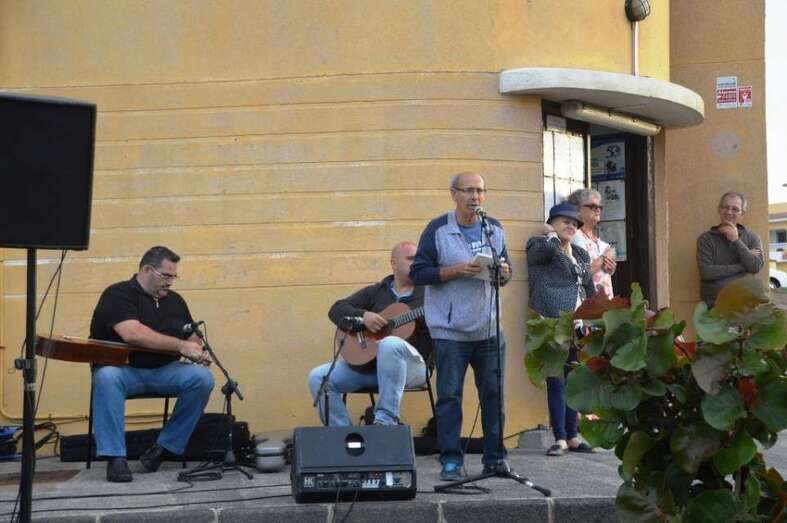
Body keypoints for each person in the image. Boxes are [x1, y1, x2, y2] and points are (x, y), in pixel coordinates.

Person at [410, 171, 512, 482]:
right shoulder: (437, 229)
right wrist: (455, 270)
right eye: (468, 190)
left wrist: (504, 273)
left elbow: (506, 268)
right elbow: (419, 273)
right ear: (453, 194)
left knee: (493, 397)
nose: (475, 197)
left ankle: (496, 460)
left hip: (489, 330)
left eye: (480, 190)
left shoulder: (494, 228)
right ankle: (451, 462)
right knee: (450, 398)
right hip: (450, 332)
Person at [89, 246, 214, 482]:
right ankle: (115, 457)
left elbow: (190, 336)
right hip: (124, 370)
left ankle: (164, 448)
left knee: (202, 378)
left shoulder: (175, 301)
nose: (171, 282)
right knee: (105, 377)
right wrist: (180, 346)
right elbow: (132, 333)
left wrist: (196, 349)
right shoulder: (117, 294)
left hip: (164, 370)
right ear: (147, 270)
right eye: (166, 276)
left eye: (174, 276)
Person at [307, 241, 432, 427]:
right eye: (410, 259)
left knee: (390, 343)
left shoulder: (431, 294)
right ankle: (344, 435)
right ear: (394, 263)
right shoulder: (376, 292)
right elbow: (336, 309)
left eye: (419, 259)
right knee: (318, 377)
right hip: (370, 367)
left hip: (413, 368)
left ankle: (384, 423)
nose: (417, 263)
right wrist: (363, 317)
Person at [526, 202, 595, 457]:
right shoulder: (540, 245)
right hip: (551, 323)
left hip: (577, 325)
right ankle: (560, 438)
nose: (571, 226)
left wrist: (590, 319)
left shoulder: (581, 254)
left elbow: (588, 288)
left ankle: (573, 435)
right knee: (556, 382)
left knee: (574, 380)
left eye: (575, 223)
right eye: (565, 221)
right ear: (552, 223)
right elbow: (543, 254)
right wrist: (553, 237)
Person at [697, 191, 764, 307]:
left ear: (742, 213)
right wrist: (742, 266)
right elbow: (706, 272)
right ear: (719, 209)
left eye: (735, 209)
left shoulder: (752, 238)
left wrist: (736, 240)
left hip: (744, 306)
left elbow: (755, 267)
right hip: (714, 307)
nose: (729, 212)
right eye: (725, 207)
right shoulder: (705, 239)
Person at [568, 188, 616, 299]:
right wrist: (604, 258)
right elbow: (581, 275)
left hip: (605, 304)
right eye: (593, 206)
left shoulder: (599, 242)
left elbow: (602, 274)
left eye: (600, 207)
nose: (598, 210)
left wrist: (611, 268)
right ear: (577, 209)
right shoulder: (575, 236)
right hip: (588, 304)